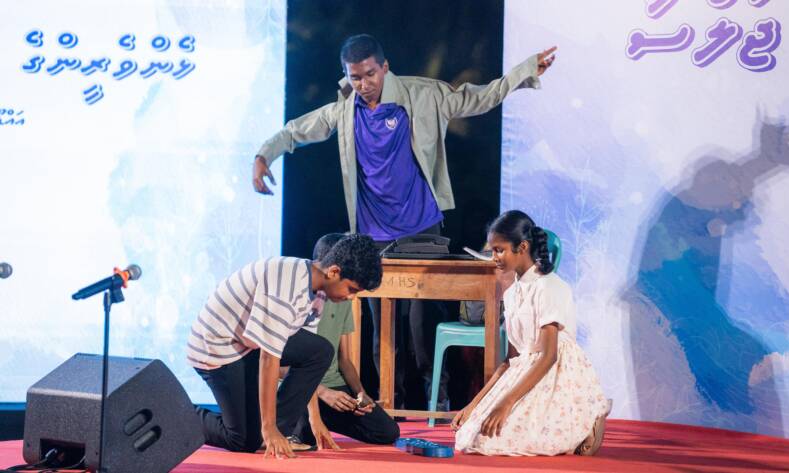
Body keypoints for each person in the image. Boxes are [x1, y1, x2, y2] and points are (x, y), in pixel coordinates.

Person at [252, 33, 557, 411]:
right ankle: (387, 405)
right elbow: (298, 129)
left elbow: (477, 97)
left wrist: (525, 71)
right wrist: (264, 155)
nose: (363, 84)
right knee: (383, 330)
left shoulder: (422, 95)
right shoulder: (345, 110)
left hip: (421, 229)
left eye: (370, 74)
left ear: (384, 67)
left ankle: (436, 402)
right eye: (355, 77)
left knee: (422, 325)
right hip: (371, 236)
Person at [187, 234, 382, 460]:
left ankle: (273, 431)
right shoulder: (287, 284)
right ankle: (181, 412)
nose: (351, 298)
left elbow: (306, 357)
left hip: (247, 343)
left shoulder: (318, 292)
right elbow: (269, 358)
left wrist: (315, 419)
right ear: (334, 272)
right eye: (352, 289)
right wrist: (268, 428)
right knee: (242, 440)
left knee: (321, 350)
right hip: (217, 347)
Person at [453, 210, 611, 456]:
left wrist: (507, 403)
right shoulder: (511, 294)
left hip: (554, 371)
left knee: (498, 441)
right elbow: (509, 361)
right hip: (523, 371)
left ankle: (590, 417)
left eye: (499, 250)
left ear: (522, 247)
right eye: (492, 251)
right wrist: (474, 404)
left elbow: (549, 356)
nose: (494, 257)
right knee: (470, 437)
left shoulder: (548, 287)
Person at [288, 233, 400, 450]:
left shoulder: (343, 299)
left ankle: (321, 418)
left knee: (386, 431)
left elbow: (345, 359)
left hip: (333, 385)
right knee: (305, 437)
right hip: (301, 387)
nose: (351, 295)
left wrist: (360, 394)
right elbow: (283, 364)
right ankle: (304, 422)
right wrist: (323, 393)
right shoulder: (302, 298)